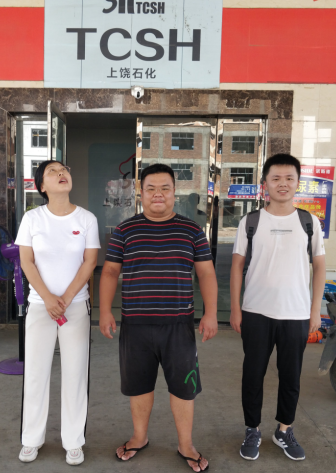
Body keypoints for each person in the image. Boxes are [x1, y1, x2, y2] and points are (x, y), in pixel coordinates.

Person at [99, 163, 218, 472]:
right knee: (139, 385)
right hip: (135, 325)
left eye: (165, 188)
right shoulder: (125, 230)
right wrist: (105, 311)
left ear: (174, 192)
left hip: (179, 326)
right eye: (151, 188)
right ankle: (139, 437)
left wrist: (211, 314)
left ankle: (185, 444)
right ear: (141, 193)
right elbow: (110, 272)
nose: (158, 194)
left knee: (183, 387)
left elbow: (206, 273)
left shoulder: (192, 231)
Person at [230, 154, 325, 462]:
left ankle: (284, 430)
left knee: (291, 377)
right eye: (276, 178)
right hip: (256, 312)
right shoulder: (251, 222)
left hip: (296, 314)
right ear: (265, 184)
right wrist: (235, 309)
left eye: (289, 178)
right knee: (252, 375)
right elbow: (236, 267)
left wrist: (314, 310)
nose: (282, 184)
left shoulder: (309, 222)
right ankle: (252, 429)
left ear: (298, 183)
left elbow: (320, 267)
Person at [15, 160, 100, 466]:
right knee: (36, 373)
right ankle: (31, 439)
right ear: (42, 186)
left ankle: (73, 441)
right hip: (40, 306)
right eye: (52, 171)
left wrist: (64, 298)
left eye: (64, 169)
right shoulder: (32, 218)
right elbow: (26, 261)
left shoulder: (87, 219)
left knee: (76, 374)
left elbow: (90, 262)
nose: (61, 173)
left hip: (75, 307)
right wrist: (48, 298)